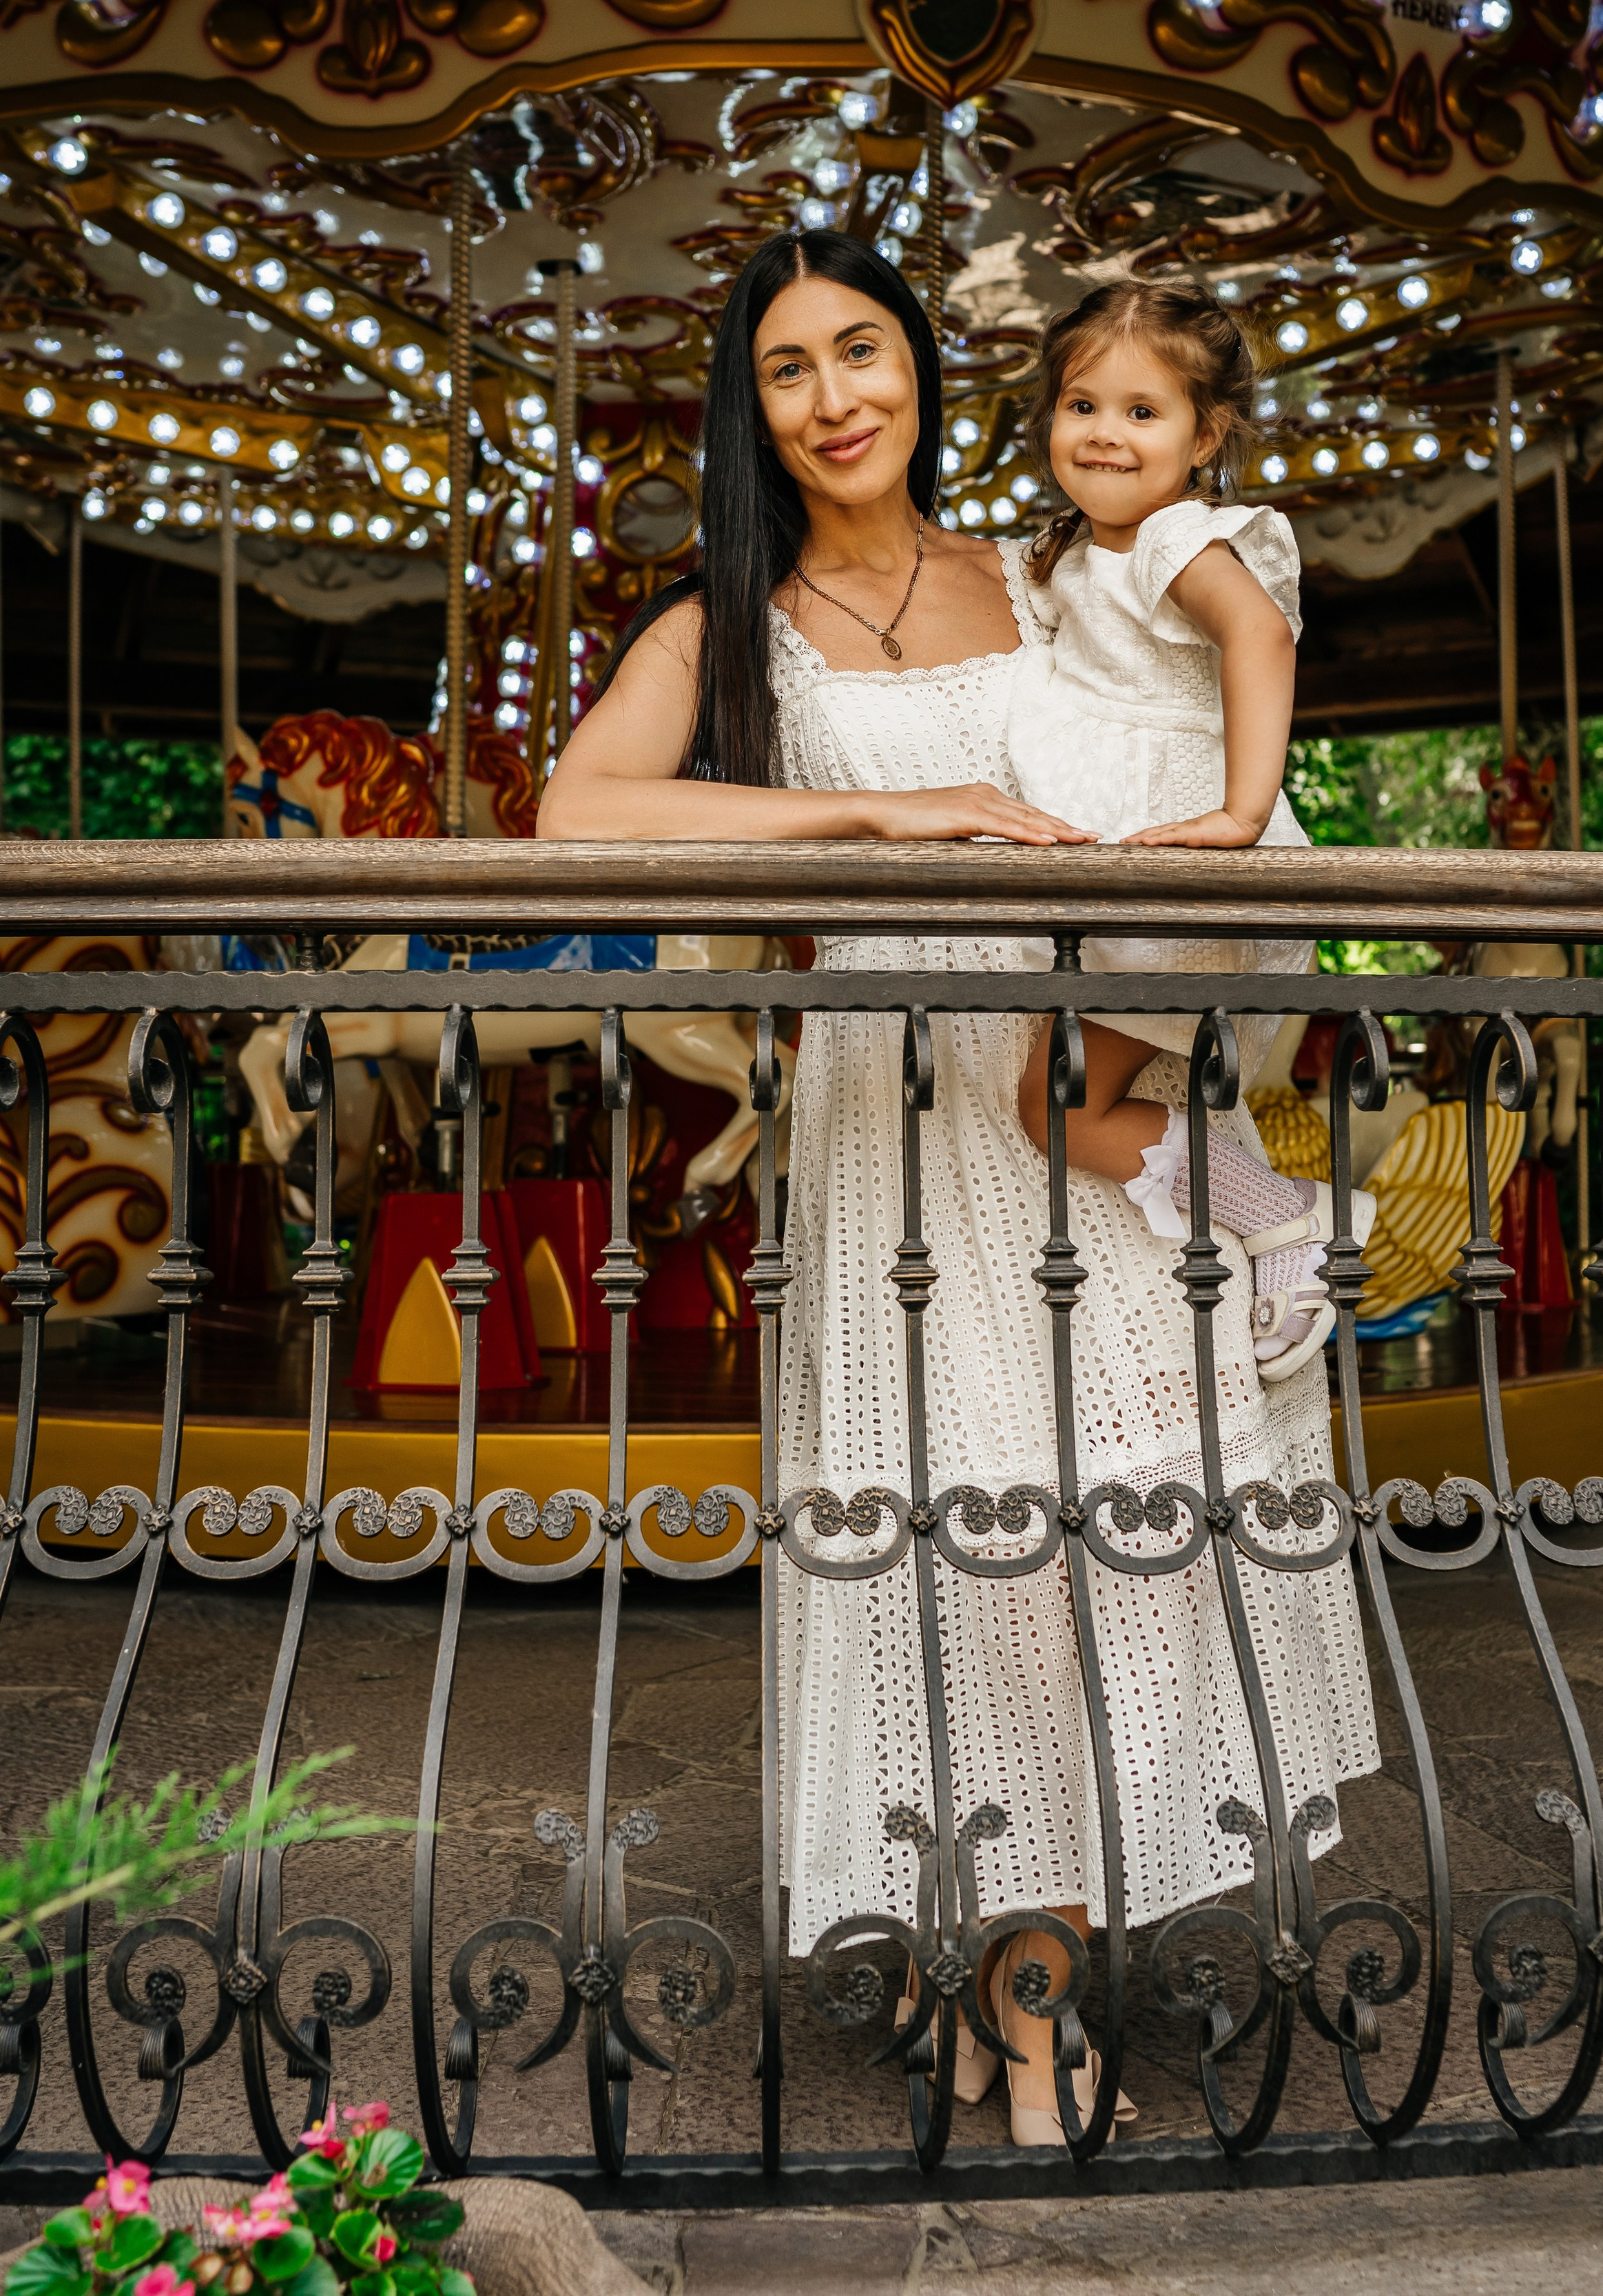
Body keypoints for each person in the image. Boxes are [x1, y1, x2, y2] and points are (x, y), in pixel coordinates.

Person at [537, 230, 1377, 2146]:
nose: (835, 395)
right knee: (958, 1556)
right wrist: (878, 814)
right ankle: (1001, 1975)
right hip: (891, 1119)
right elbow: (580, 811)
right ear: (753, 414)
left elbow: (1202, 715)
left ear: (921, 367)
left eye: (864, 351)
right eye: (787, 371)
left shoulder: (1056, 569)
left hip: (1055, 1084)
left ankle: (1040, 1959)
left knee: (1106, 1543)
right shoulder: (719, 625)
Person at [1006, 275, 1376, 1381]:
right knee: (1060, 1102)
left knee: (1058, 1105)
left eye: (1142, 412)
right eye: (1082, 407)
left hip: (1174, 867)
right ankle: (1282, 1220)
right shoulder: (1073, 550)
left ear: (1205, 436)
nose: (1106, 435)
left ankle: (1288, 1220)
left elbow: (1259, 636)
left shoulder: (1176, 537)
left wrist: (1241, 816)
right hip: (1132, 874)